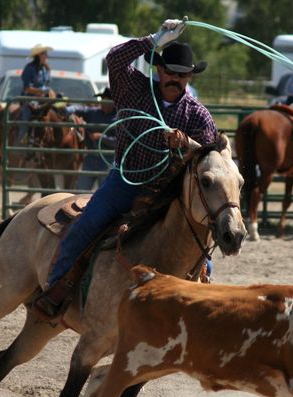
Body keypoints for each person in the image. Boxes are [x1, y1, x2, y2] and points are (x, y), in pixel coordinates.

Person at [35, 18, 217, 317]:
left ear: (190, 78)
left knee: (203, 255)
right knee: (85, 226)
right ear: (159, 70)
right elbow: (115, 59)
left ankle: (197, 310)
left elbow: (211, 158)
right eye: (171, 72)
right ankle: (56, 290)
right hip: (126, 180)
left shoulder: (198, 117)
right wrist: (154, 38)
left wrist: (186, 144)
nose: (176, 79)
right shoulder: (134, 90)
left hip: (170, 194)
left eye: (183, 75)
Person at [65, 87, 117, 190]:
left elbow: (119, 142)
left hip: (108, 160)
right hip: (91, 158)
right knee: (82, 189)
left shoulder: (118, 117)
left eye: (107, 101)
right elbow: (80, 108)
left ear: (113, 103)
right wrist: (67, 109)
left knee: (105, 192)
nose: (103, 104)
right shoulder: (93, 112)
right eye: (102, 101)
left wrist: (101, 137)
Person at [17, 43, 53, 143]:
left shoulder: (45, 68)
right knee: (26, 116)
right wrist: (41, 91)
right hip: (30, 99)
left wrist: (47, 92)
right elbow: (27, 88)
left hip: (44, 98)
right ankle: (21, 139)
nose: (47, 56)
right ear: (39, 55)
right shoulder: (29, 68)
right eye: (44, 54)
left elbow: (47, 84)